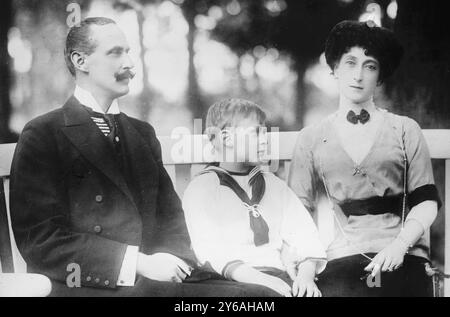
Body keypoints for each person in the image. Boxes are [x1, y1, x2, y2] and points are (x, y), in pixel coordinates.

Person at [9, 17, 278, 297]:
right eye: (115, 52)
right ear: (80, 61)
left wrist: (175, 261)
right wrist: (137, 263)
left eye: (128, 52)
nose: (129, 64)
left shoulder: (141, 134)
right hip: (89, 284)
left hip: (158, 279)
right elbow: (41, 241)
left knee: (262, 295)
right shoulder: (44, 134)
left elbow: (171, 219)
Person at [287, 20, 441, 297]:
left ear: (380, 76)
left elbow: (426, 202)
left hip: (403, 252)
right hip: (341, 256)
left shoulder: (405, 129)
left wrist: (400, 245)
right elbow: (297, 214)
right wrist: (307, 269)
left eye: (370, 66)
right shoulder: (312, 138)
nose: (358, 75)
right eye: (350, 63)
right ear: (334, 68)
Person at [182, 98, 327, 297]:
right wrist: (262, 280)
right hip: (227, 281)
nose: (265, 139)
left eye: (265, 132)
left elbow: (304, 233)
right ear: (226, 139)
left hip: (276, 276)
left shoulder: (273, 185)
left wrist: (306, 274)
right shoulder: (202, 188)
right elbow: (209, 250)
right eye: (256, 132)